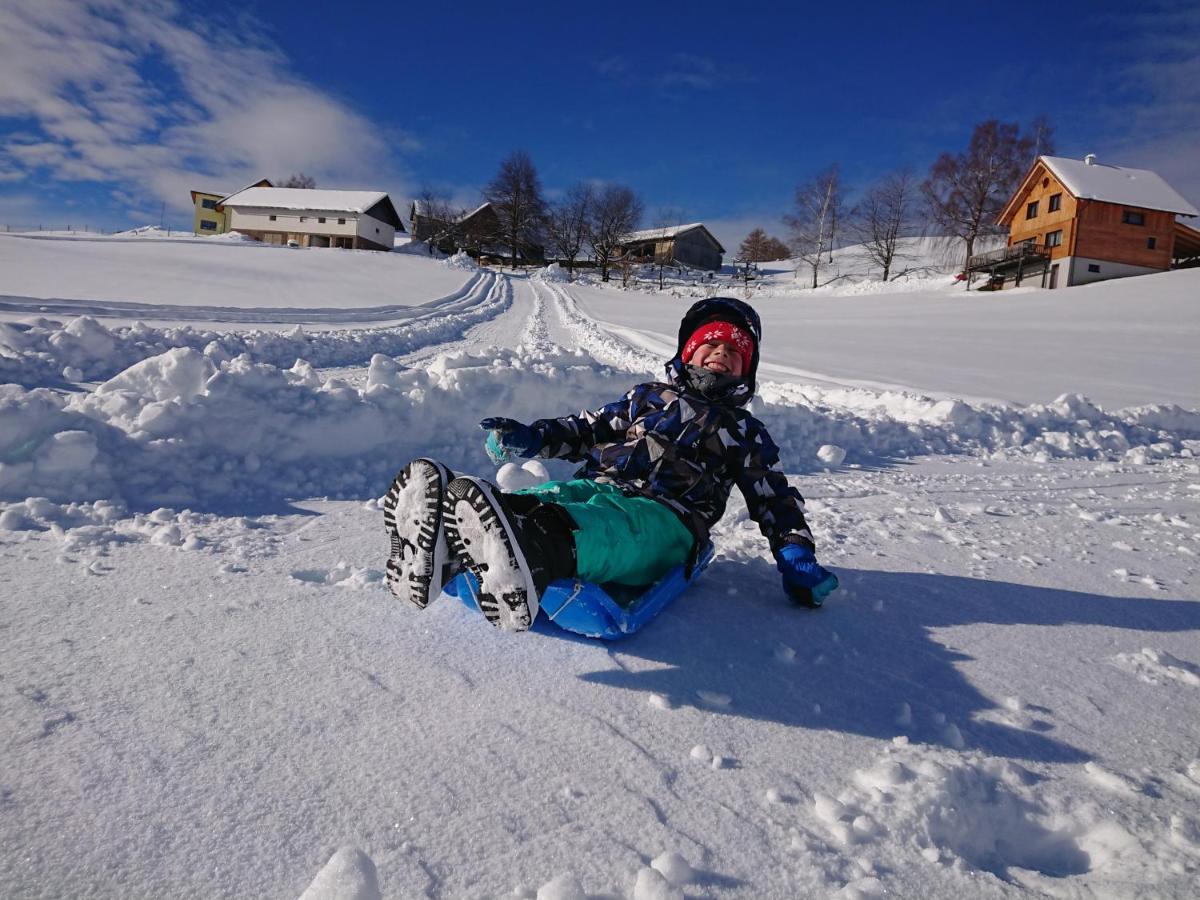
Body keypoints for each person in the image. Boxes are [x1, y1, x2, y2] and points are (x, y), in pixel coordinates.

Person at [382, 296, 838, 632]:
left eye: (735, 352)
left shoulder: (744, 432)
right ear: (686, 355)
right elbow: (588, 429)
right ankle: (444, 542)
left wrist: (795, 554)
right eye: (711, 346)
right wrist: (536, 436)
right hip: (598, 483)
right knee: (544, 498)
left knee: (610, 530)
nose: (722, 353)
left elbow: (773, 498)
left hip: (668, 517)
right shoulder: (647, 397)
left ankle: (534, 553)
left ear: (746, 372)